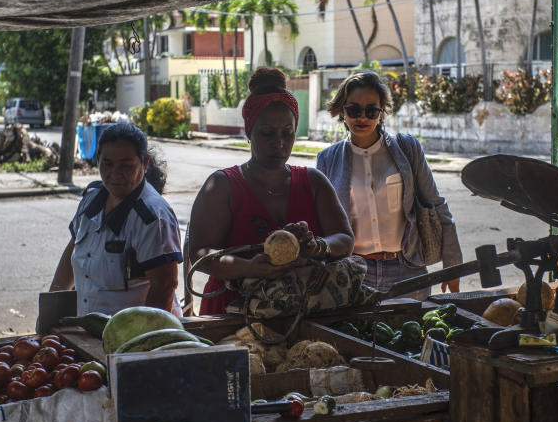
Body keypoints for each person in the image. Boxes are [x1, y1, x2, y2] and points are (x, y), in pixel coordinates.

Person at [189, 68, 353, 314]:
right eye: (267, 133)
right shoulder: (222, 186)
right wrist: (248, 267)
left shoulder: (314, 182)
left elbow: (344, 239)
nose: (279, 142)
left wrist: (317, 246)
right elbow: (200, 253)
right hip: (232, 316)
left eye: (287, 133)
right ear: (249, 131)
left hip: (302, 316)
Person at [316, 71, 462, 300]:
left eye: (371, 110)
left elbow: (435, 203)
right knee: (358, 336)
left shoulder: (407, 149)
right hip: (354, 273)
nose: (362, 117)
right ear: (342, 111)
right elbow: (321, 223)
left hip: (407, 269)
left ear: (382, 111)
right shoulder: (327, 160)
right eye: (353, 110)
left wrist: (452, 264)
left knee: (413, 333)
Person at [50, 122, 183, 316]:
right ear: (98, 161)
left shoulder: (153, 217)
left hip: (132, 337)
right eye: (107, 164)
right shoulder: (91, 200)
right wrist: (52, 311)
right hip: (89, 331)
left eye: (126, 165)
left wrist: (140, 341)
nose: (115, 174)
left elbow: (164, 286)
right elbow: (71, 254)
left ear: (145, 163)